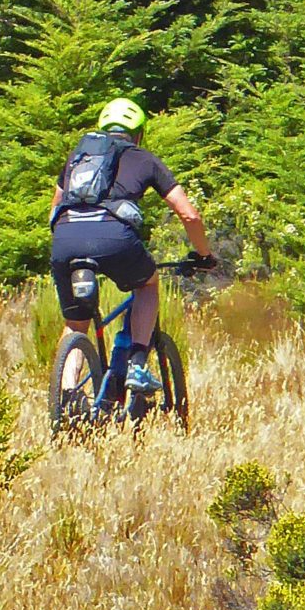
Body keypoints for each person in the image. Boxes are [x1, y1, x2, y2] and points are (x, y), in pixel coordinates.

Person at [49, 97, 215, 408]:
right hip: (114, 238)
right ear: (138, 133)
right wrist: (204, 255)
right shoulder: (143, 159)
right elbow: (189, 215)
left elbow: (55, 208)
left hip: (65, 239)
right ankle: (137, 365)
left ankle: (69, 396)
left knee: (76, 323)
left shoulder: (76, 157)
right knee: (147, 284)